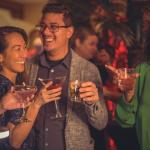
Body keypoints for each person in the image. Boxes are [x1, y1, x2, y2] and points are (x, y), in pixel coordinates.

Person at [24, 3, 108, 150]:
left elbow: (101, 123)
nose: (46, 32)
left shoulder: (87, 70)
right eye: (42, 26)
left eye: (54, 27)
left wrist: (93, 103)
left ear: (69, 32)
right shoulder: (28, 67)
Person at [0, 26, 57, 149]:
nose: (25, 54)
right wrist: (36, 104)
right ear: (1, 56)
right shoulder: (3, 87)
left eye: (24, 47)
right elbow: (14, 141)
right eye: (17, 49)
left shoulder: (15, 84)